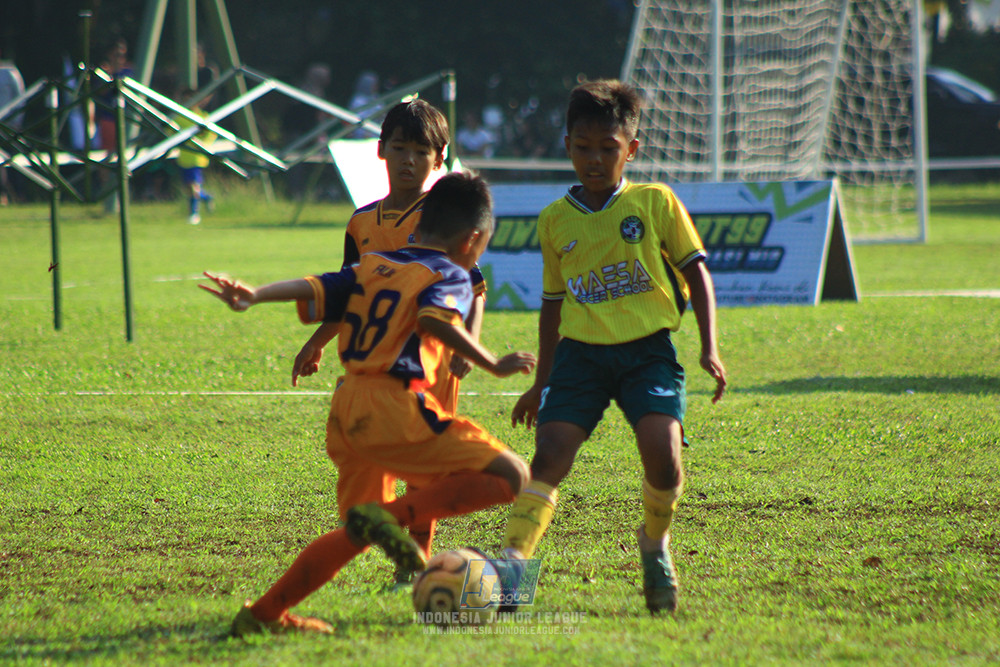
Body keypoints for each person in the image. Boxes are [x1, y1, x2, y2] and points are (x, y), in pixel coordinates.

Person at [199, 171, 537, 635]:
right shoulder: (450, 273)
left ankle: (263, 615)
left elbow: (314, 285)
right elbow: (435, 321)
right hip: (395, 405)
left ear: (420, 227)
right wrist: (493, 364)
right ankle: (392, 518)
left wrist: (255, 295)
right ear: (473, 241)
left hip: (347, 407)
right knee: (514, 475)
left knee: (355, 534)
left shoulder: (373, 265)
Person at [498, 80, 728, 615]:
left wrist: (709, 347)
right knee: (550, 454)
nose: (595, 159)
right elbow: (553, 302)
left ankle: (654, 544)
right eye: (583, 147)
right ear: (567, 146)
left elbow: (698, 273)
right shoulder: (555, 219)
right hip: (580, 356)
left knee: (664, 460)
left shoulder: (654, 202)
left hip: (648, 353)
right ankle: (512, 567)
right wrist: (541, 381)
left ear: (632, 149)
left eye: (608, 148)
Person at [292, 99, 487, 583]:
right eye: (399, 147)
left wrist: (467, 343)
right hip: (378, 366)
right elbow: (349, 293)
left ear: (439, 160)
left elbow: (476, 289)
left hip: (433, 363)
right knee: (371, 461)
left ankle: (413, 561)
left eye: (421, 151)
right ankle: (397, 539)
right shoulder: (361, 223)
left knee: (425, 468)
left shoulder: (442, 218)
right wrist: (315, 343)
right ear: (380, 151)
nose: (408, 159)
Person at [175, 88, 216, 224]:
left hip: (197, 157)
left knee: (193, 186)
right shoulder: (179, 117)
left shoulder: (202, 116)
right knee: (189, 188)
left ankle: (194, 213)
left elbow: (211, 134)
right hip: (184, 157)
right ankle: (206, 197)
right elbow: (170, 132)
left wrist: (202, 143)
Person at [0, 50, 25, 206]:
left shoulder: (10, 72)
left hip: (10, 125)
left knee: (17, 161)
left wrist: (17, 121)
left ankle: (20, 195)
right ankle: (3, 196)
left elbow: (20, 98)